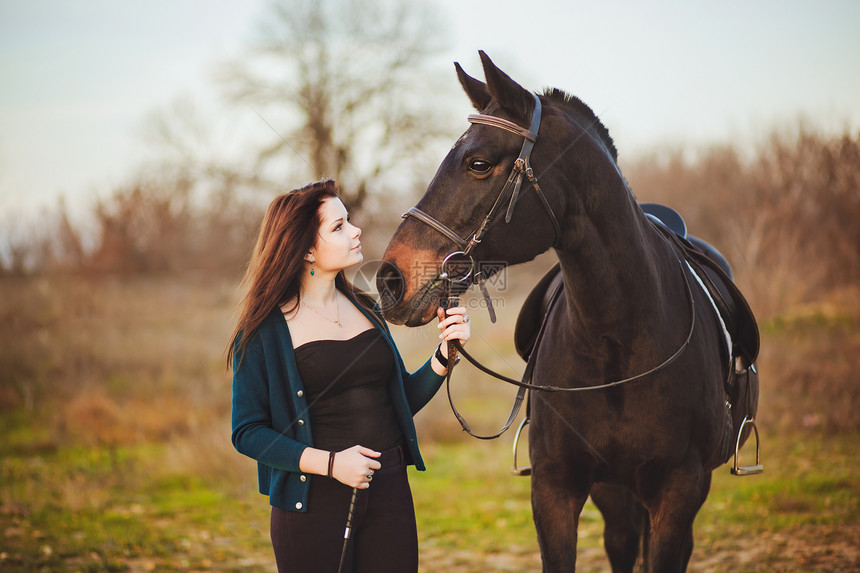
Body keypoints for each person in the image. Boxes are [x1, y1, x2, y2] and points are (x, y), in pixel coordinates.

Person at [228, 180, 470, 572]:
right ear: (306, 248)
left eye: (349, 221)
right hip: (314, 502)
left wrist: (445, 354)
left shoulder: (368, 309)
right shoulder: (263, 331)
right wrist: (329, 464)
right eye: (338, 226)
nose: (355, 230)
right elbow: (247, 431)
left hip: (389, 488)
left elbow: (398, 400)